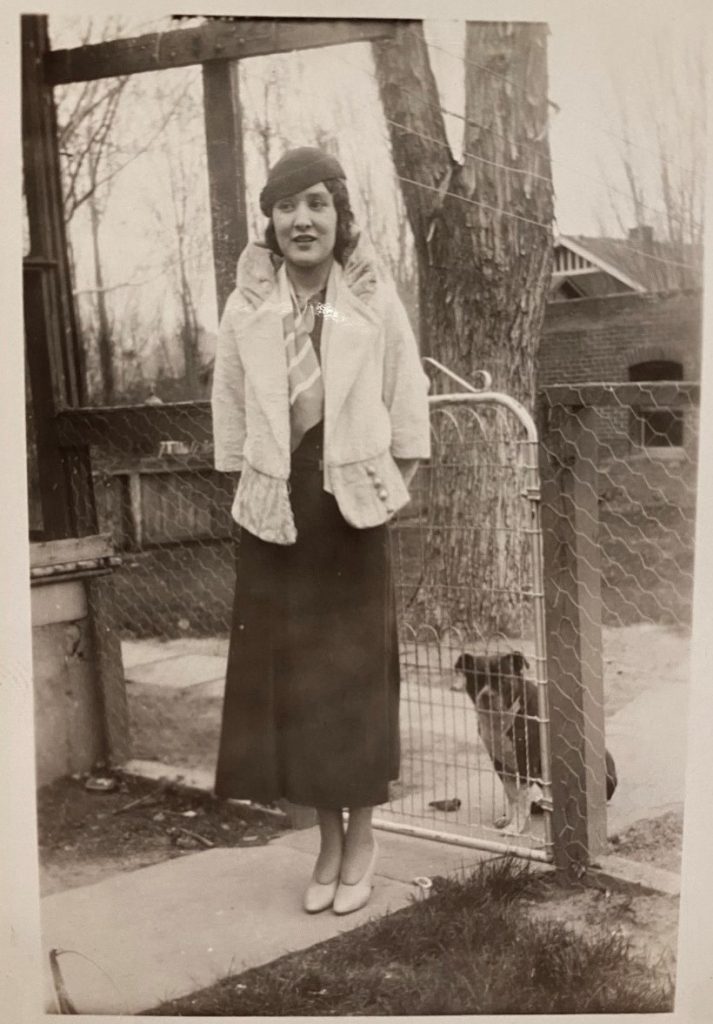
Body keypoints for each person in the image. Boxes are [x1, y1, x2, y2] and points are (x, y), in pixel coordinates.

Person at [211, 147, 430, 915]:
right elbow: (232, 407)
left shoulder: (365, 299)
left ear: (339, 218)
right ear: (268, 222)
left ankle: (361, 837)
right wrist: (252, 482)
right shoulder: (250, 305)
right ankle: (325, 844)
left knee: (352, 682)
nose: (300, 220)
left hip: (349, 511)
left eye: (316, 204)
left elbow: (407, 399)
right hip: (276, 513)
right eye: (284, 206)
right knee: (295, 686)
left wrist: (381, 484)